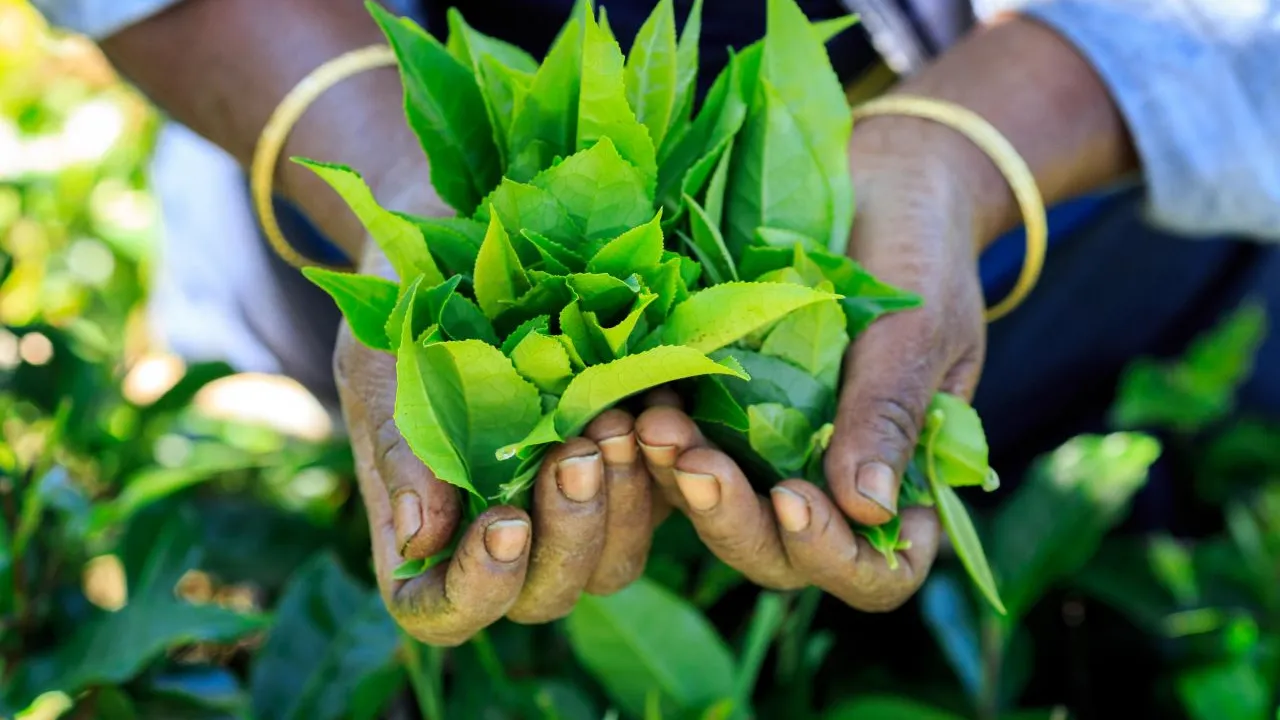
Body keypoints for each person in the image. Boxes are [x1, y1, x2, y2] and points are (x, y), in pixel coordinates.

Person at [31, 0, 1280, 646]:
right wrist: (393, 188)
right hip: (346, 123)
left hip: (1066, 199)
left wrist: (948, 155)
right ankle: (262, 360)